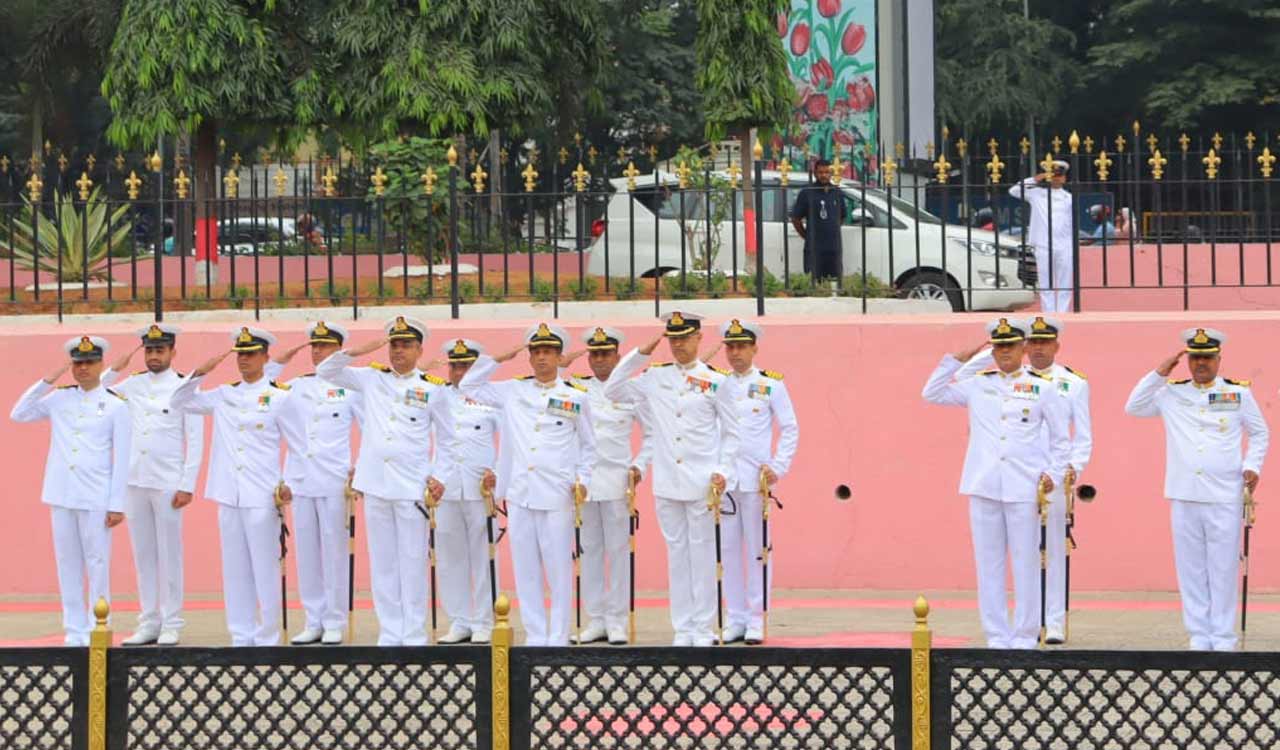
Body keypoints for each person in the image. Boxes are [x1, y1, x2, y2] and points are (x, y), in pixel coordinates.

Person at [921, 318, 1069, 649]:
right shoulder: (977, 383)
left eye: (1010, 346)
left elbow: (1061, 440)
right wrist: (962, 357)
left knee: (1026, 563)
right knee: (988, 565)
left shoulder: (1043, 387)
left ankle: (1025, 635)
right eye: (998, 346)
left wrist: (1054, 474)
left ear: (1024, 348)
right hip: (983, 484)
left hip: (1023, 487)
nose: (1004, 353)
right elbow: (932, 392)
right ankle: (997, 636)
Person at [1124, 327, 1269, 651]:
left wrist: (1252, 466)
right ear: (1187, 359)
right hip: (1184, 492)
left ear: (1219, 359)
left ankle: (1223, 636)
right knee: (1190, 568)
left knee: (1222, 566)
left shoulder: (1238, 394)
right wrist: (1160, 372)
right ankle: (1199, 635)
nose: (1201, 363)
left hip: (1224, 494)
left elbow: (1259, 433)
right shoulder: (1171, 393)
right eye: (1195, 357)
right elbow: (1133, 407)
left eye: (1207, 357)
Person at [603, 311, 740, 647]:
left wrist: (723, 471)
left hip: (702, 483)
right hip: (668, 482)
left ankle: (704, 628)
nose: (678, 345)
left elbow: (733, 434)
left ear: (698, 338)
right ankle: (683, 628)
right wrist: (641, 353)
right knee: (677, 556)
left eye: (684, 338)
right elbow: (613, 389)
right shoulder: (655, 377)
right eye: (673, 339)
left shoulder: (717, 381)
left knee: (703, 555)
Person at [315, 316, 451, 646]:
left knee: (412, 562)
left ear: (420, 349)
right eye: (394, 344)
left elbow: (448, 438)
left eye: (406, 345)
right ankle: (390, 632)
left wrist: (440, 476)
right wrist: (359, 350)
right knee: (383, 564)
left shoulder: (433, 388)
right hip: (375, 483)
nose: (398, 350)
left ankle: (414, 632)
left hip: (411, 487)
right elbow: (325, 371)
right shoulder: (372, 378)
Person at [955, 316, 1092, 644]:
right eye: (1035, 342)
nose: (1038, 348)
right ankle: (998, 635)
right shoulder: (984, 381)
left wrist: (1068, 468)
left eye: (1045, 342)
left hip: (1045, 479)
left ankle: (1052, 621)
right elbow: (943, 385)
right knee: (994, 563)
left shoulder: (1069, 383)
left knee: (1049, 552)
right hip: (1000, 480)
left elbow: (1078, 436)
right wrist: (980, 354)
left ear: (1056, 345)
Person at [460, 323, 597, 647]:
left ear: (559, 356)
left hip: (557, 494)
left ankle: (558, 635)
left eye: (548, 351)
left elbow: (589, 446)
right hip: (521, 492)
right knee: (526, 570)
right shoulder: (513, 391)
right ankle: (536, 634)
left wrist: (583, 480)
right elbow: (469, 384)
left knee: (559, 569)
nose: (541, 358)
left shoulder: (575, 397)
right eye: (535, 352)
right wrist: (500, 357)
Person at [170, 327, 300, 647]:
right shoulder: (224, 393)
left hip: (262, 494)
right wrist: (200, 373)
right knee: (235, 570)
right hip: (228, 492)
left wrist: (289, 484)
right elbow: (179, 401)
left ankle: (268, 635)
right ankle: (241, 634)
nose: (244, 360)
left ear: (265, 357)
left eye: (251, 354)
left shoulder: (281, 397)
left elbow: (300, 444)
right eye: (240, 354)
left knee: (265, 569)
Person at [11, 335, 130, 647]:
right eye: (77, 363)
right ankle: (74, 630)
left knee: (97, 562)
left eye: (89, 362)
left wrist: (117, 504)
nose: (83, 369)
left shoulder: (116, 405)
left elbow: (123, 458)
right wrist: (49, 378)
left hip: (96, 496)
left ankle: (99, 625)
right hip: (61, 493)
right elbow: (19, 413)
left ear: (101, 364)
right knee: (68, 563)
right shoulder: (59, 398)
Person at [100, 324, 204, 647]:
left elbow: (196, 439)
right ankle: (148, 621)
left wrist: (188, 483)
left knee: (170, 554)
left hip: (167, 482)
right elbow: (98, 390)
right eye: (149, 350)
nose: (154, 356)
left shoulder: (185, 387)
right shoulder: (132, 385)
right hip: (135, 479)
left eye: (160, 350)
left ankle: (172, 621)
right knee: (143, 554)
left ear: (173, 352)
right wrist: (115, 367)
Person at [267, 321, 363, 645]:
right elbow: (262, 383)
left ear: (338, 350)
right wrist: (281, 359)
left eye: (324, 346)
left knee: (335, 551)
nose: (318, 352)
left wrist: (359, 471)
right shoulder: (295, 385)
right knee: (306, 553)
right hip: (301, 480)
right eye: (314, 346)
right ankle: (313, 619)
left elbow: (372, 428)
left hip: (335, 480)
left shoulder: (352, 388)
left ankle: (334, 620)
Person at [561, 326, 654, 645]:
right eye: (594, 354)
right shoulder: (576, 388)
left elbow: (652, 435)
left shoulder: (629, 392)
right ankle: (595, 619)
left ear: (617, 356)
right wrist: (561, 364)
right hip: (584, 484)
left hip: (616, 483)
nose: (600, 360)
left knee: (617, 553)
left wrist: (638, 466)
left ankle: (616, 620)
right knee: (588, 553)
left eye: (606, 354)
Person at [712, 320, 799, 645]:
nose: (735, 352)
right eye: (730, 347)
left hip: (755, 481)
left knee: (758, 552)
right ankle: (734, 617)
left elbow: (790, 428)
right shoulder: (718, 385)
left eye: (741, 346)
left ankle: (756, 618)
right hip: (725, 481)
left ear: (754, 348)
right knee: (729, 550)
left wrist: (778, 466)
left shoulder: (770, 385)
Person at [432, 337, 501, 644]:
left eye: (466, 366)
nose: (459, 371)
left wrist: (497, 473)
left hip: (479, 489)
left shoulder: (490, 398)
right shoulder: (435, 396)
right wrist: (429, 477)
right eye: (455, 365)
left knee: (483, 557)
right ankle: (459, 620)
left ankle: (485, 620)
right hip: (444, 489)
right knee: (449, 558)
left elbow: (513, 440)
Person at [1010, 160, 1075, 313]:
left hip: (1065, 243)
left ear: (1064, 178)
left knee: (1065, 282)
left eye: (1060, 175)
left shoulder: (1069, 197)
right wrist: (1034, 179)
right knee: (1046, 281)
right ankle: (1049, 312)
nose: (1057, 178)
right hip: (1043, 243)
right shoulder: (1037, 193)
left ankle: (1063, 312)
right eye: (1054, 175)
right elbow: (1013, 191)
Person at [791, 159, 847, 282]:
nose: (824, 175)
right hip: (814, 248)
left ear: (831, 173)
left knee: (834, 282)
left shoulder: (837, 192)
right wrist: (807, 236)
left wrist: (831, 229)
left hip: (833, 247)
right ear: (815, 173)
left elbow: (842, 216)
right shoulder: (807, 193)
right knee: (814, 281)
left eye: (827, 172)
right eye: (820, 172)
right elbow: (796, 219)